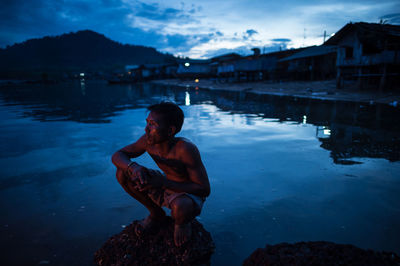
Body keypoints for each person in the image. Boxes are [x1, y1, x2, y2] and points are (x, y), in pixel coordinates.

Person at [112, 102, 210, 247]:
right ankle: (156, 213)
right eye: (147, 123)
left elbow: (204, 189)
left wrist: (164, 183)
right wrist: (134, 167)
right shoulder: (148, 141)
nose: (146, 129)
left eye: (152, 124)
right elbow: (117, 155)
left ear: (170, 130)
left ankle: (182, 223)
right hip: (164, 183)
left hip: (186, 193)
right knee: (122, 173)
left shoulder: (185, 149)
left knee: (180, 207)